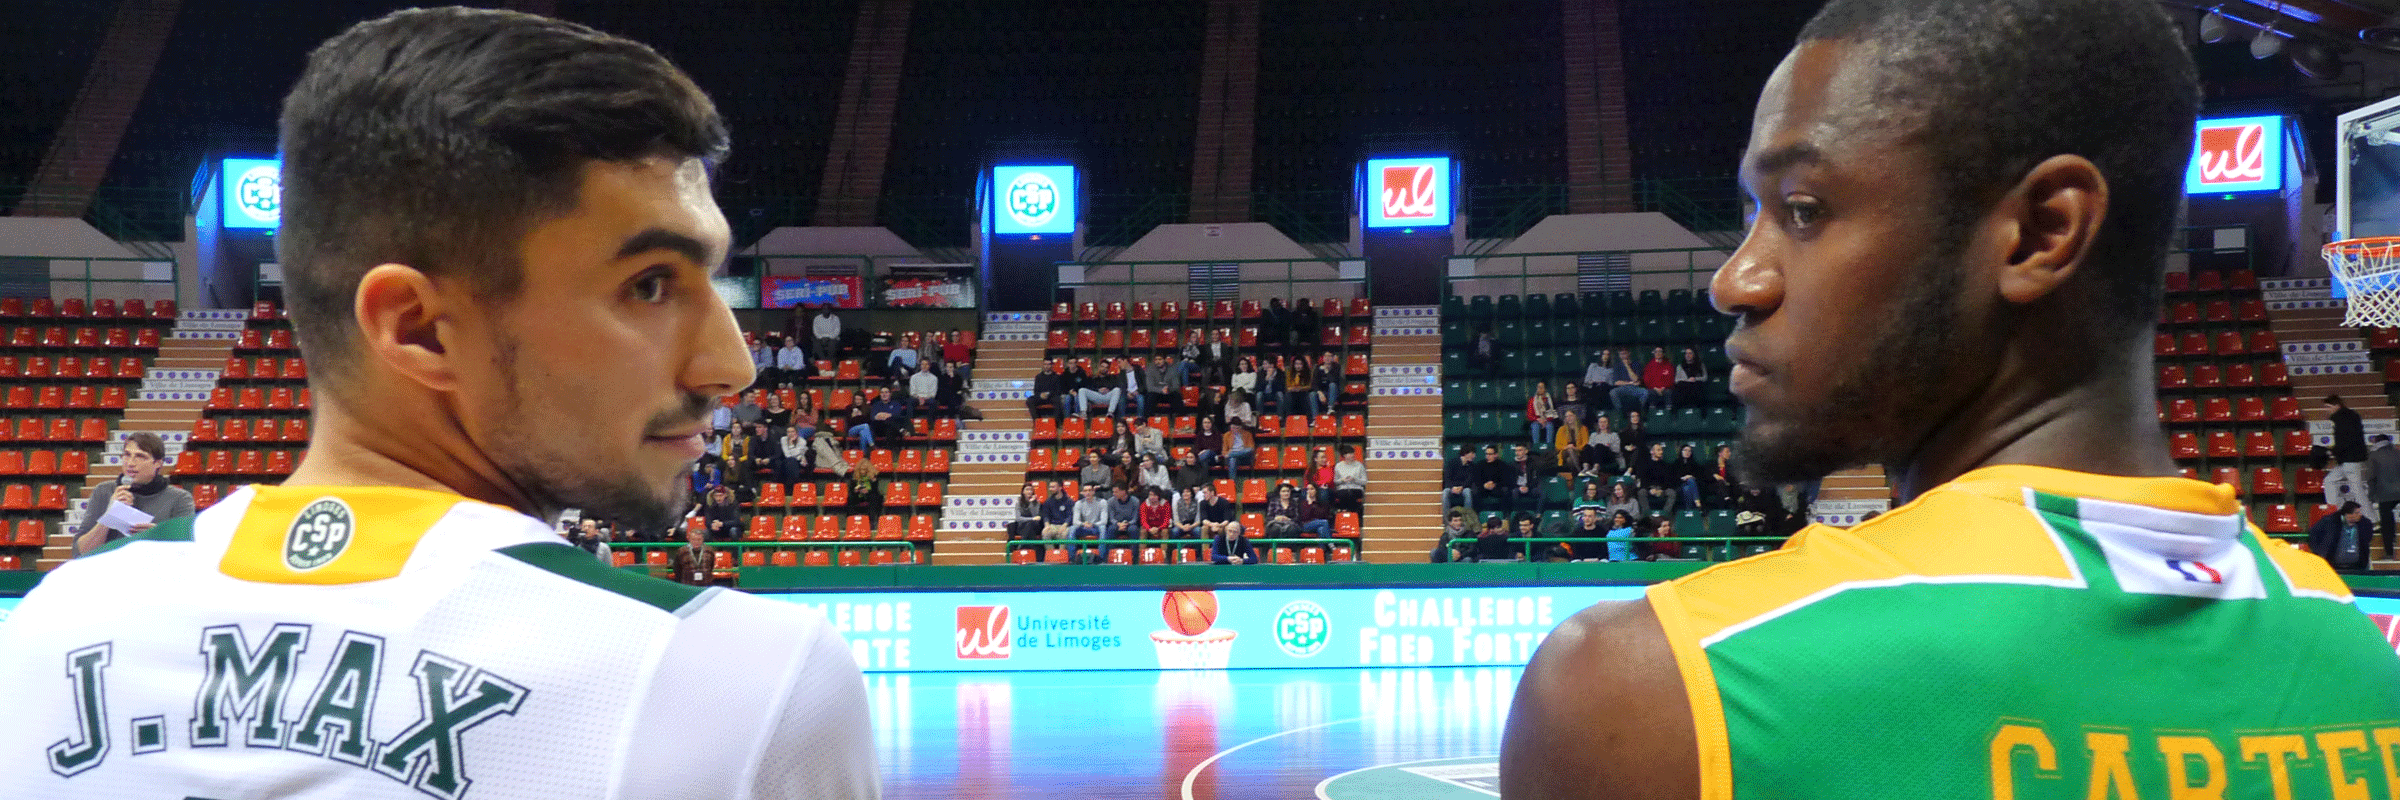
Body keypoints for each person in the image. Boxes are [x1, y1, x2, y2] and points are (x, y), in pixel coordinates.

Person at [1501, 3, 2400, 799]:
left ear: (2042, 232)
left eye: (1803, 209)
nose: (1736, 280)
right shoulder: (2354, 652)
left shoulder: (1654, 688)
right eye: (1753, 214)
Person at [0, 16, 851, 793]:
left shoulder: (47, 635)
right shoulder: (736, 682)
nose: (731, 366)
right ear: (419, 330)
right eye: (650, 285)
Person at [72, 431, 197, 555]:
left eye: (140, 456)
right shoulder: (104, 491)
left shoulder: (179, 498)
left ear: (158, 463)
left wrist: (157, 535)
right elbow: (80, 552)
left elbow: (187, 552)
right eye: (127, 455)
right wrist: (109, 517)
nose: (130, 463)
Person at [2327, 395, 2370, 509]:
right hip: (2351, 458)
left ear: (2337, 405)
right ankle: (2334, 510)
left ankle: (2369, 517)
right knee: (2329, 480)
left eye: (2329, 407)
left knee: (2357, 491)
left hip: (2350, 459)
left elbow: (2344, 440)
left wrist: (2334, 452)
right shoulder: (2351, 416)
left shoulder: (2341, 419)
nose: (2327, 410)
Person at [2309, 501, 2373, 571]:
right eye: (2357, 513)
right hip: (2333, 567)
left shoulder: (2365, 524)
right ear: (2348, 514)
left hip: (2358, 567)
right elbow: (2314, 536)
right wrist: (2320, 553)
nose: (2360, 515)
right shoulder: (2329, 522)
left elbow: (2368, 539)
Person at [1199, 486, 1253, 564]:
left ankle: (1226, 551)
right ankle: (1205, 553)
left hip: (1222, 525)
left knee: (1225, 529)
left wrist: (1218, 526)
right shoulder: (1202, 503)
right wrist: (1212, 524)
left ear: (1212, 492)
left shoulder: (1224, 502)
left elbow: (1227, 520)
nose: (1204, 495)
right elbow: (1204, 520)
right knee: (1204, 528)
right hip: (1211, 526)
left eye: (1205, 492)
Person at [2372, 434, 2400, 560]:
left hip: (2385, 494)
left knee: (2386, 520)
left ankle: (2389, 551)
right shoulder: (2397, 453)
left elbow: (2371, 477)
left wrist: (2372, 495)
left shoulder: (2374, 455)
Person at [666, 522, 719, 587]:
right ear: (689, 539)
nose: (696, 542)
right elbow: (677, 570)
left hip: (706, 585)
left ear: (703, 539)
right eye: (694, 539)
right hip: (688, 586)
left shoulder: (709, 550)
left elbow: (711, 566)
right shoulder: (682, 551)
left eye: (699, 539)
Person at [1070, 483, 1109, 563]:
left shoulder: (1102, 502)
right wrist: (1083, 524)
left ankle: (1101, 558)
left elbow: (1104, 521)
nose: (1087, 493)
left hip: (1096, 528)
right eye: (1085, 491)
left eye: (1090, 490)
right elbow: (1075, 521)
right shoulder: (1078, 503)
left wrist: (1093, 524)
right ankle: (1072, 558)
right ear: (1082, 492)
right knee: (1072, 528)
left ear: (1093, 492)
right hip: (1084, 528)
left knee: (1103, 528)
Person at [1040, 480, 1076, 561]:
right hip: (1053, 525)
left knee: (1065, 534)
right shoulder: (1048, 501)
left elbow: (1070, 515)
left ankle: (1061, 557)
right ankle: (1052, 556)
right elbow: (1046, 515)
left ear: (1060, 488)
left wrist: (1064, 525)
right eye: (1050, 487)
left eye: (1053, 487)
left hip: (1065, 525)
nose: (1050, 489)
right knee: (1045, 533)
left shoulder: (1069, 501)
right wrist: (1047, 526)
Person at [1103, 484, 1140, 561]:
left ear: (1123, 491)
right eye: (1113, 492)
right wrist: (1118, 524)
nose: (1114, 494)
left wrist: (1127, 524)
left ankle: (1134, 558)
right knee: (1111, 529)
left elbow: (1135, 518)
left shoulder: (1135, 501)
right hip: (1117, 524)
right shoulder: (1110, 501)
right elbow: (1111, 518)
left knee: (1133, 530)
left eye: (1116, 492)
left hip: (1130, 524)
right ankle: (1109, 557)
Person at [1332, 447, 1369, 515]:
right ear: (1344, 455)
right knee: (1344, 494)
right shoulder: (1338, 466)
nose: (1352, 455)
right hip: (1343, 489)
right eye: (1350, 454)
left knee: (1351, 494)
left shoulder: (1359, 465)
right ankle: (1348, 513)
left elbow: (1364, 482)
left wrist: (1354, 479)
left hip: (1356, 488)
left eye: (1353, 453)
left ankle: (1351, 513)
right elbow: (1335, 481)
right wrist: (1342, 480)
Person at [1444, 448, 1478, 512]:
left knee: (1467, 492)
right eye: (1472, 453)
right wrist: (1452, 487)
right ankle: (1446, 516)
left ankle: (1467, 516)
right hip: (1452, 488)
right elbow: (1447, 478)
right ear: (1465, 453)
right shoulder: (1452, 463)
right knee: (1445, 492)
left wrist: (1462, 487)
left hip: (1464, 488)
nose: (1474, 456)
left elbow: (1470, 480)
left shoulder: (1472, 466)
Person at [1527, 381, 1559, 445]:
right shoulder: (1532, 400)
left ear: (1545, 389)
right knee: (1535, 426)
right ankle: (1536, 446)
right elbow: (1529, 415)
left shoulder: (1549, 399)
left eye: (1542, 387)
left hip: (1548, 420)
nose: (1540, 389)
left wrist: (1545, 420)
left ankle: (1549, 446)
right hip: (1536, 420)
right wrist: (1538, 419)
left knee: (1550, 426)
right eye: (1539, 387)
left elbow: (1553, 414)